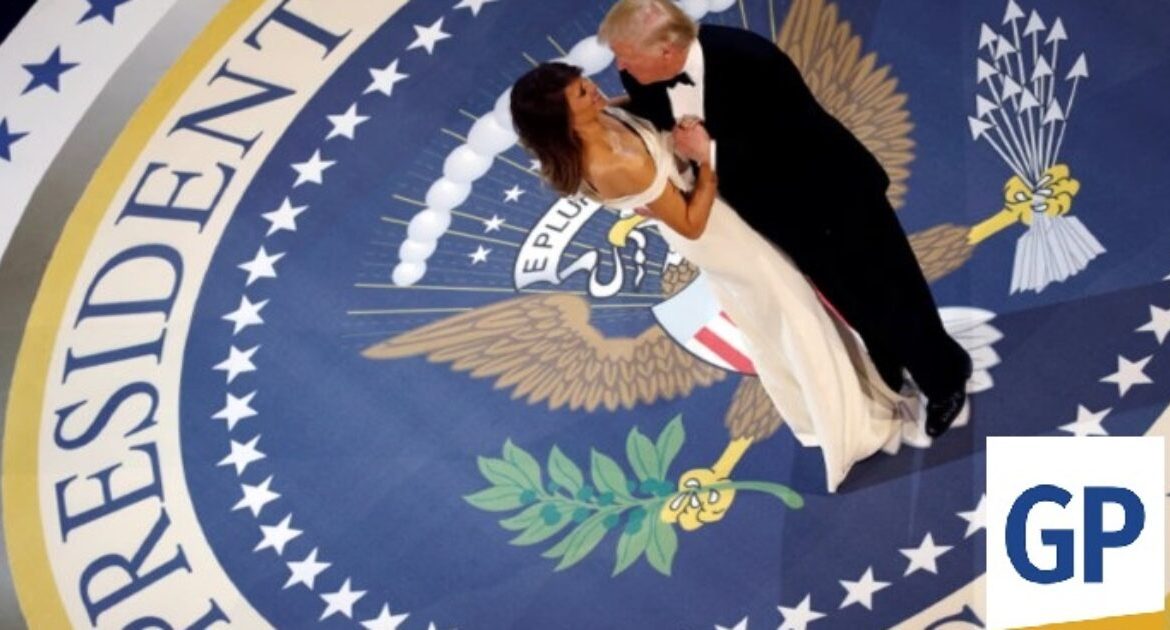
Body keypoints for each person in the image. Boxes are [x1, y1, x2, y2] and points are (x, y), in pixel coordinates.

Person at [510, 62, 912, 493]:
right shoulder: (611, 166)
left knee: (772, 320)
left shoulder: (602, 117)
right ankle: (850, 423)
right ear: (564, 119)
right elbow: (689, 223)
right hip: (719, 236)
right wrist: (706, 158)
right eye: (581, 93)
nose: (593, 88)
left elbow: (640, 112)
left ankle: (825, 405)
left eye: (583, 81)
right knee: (795, 313)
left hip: (720, 211)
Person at [598, 0, 972, 437]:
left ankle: (945, 376)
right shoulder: (636, 74)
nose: (619, 65)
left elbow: (788, 146)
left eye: (626, 55)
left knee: (891, 288)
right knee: (844, 293)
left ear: (667, 50)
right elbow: (659, 110)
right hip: (773, 213)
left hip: (833, 192)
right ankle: (886, 356)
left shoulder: (751, 60)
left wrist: (708, 153)